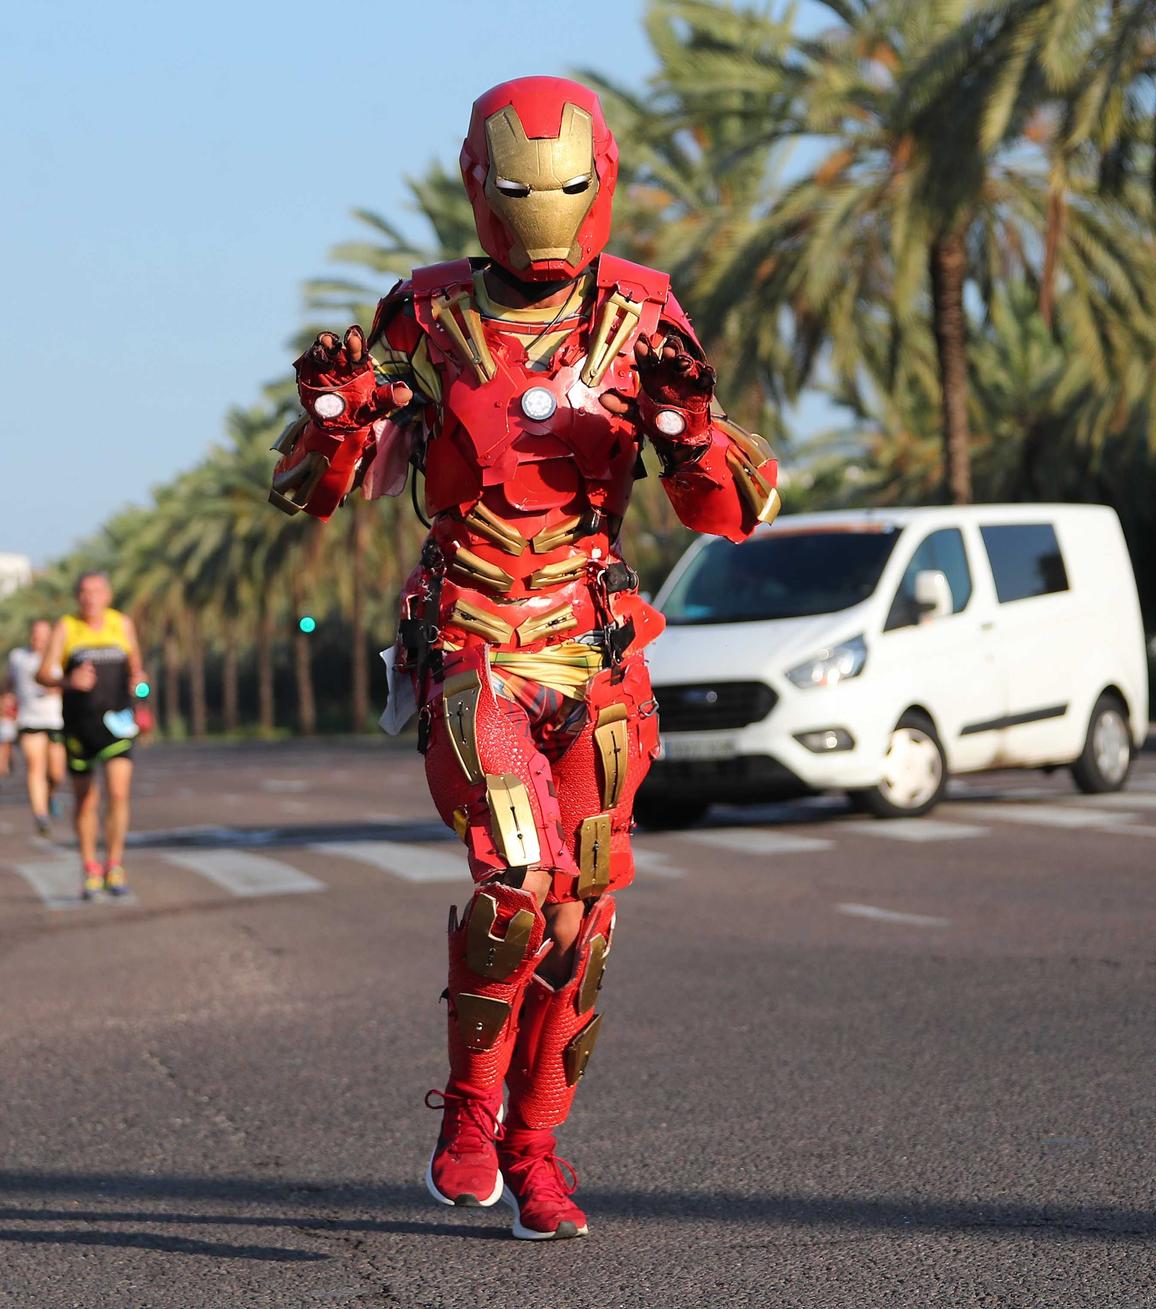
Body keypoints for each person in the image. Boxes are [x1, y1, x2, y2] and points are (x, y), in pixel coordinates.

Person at [268, 77, 779, 1239]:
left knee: (582, 921)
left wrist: (683, 429)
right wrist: (340, 417)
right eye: (517, 191)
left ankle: (535, 1148)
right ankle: (463, 1113)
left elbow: (722, 506)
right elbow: (314, 488)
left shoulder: (647, 311)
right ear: (478, 186)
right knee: (513, 888)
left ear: (596, 181)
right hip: (473, 640)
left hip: (593, 645)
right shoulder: (425, 311)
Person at [38, 573, 148, 899]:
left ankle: (114, 864)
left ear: (108, 595)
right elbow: (43, 673)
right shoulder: (66, 627)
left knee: (118, 794)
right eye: (84, 592)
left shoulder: (122, 625)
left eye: (97, 591)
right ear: (77, 597)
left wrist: (139, 681)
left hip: (118, 723)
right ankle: (89, 866)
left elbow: (137, 667)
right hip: (78, 726)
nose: (90, 598)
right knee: (86, 800)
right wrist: (68, 681)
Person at [6, 619, 65, 836]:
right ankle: (40, 815)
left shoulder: (59, 657)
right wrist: (7, 697)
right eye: (35, 634)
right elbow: (8, 682)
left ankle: (50, 795)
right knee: (35, 767)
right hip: (29, 719)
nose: (38, 639)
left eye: (43, 634)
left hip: (56, 720)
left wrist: (59, 689)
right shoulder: (18, 657)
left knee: (56, 773)